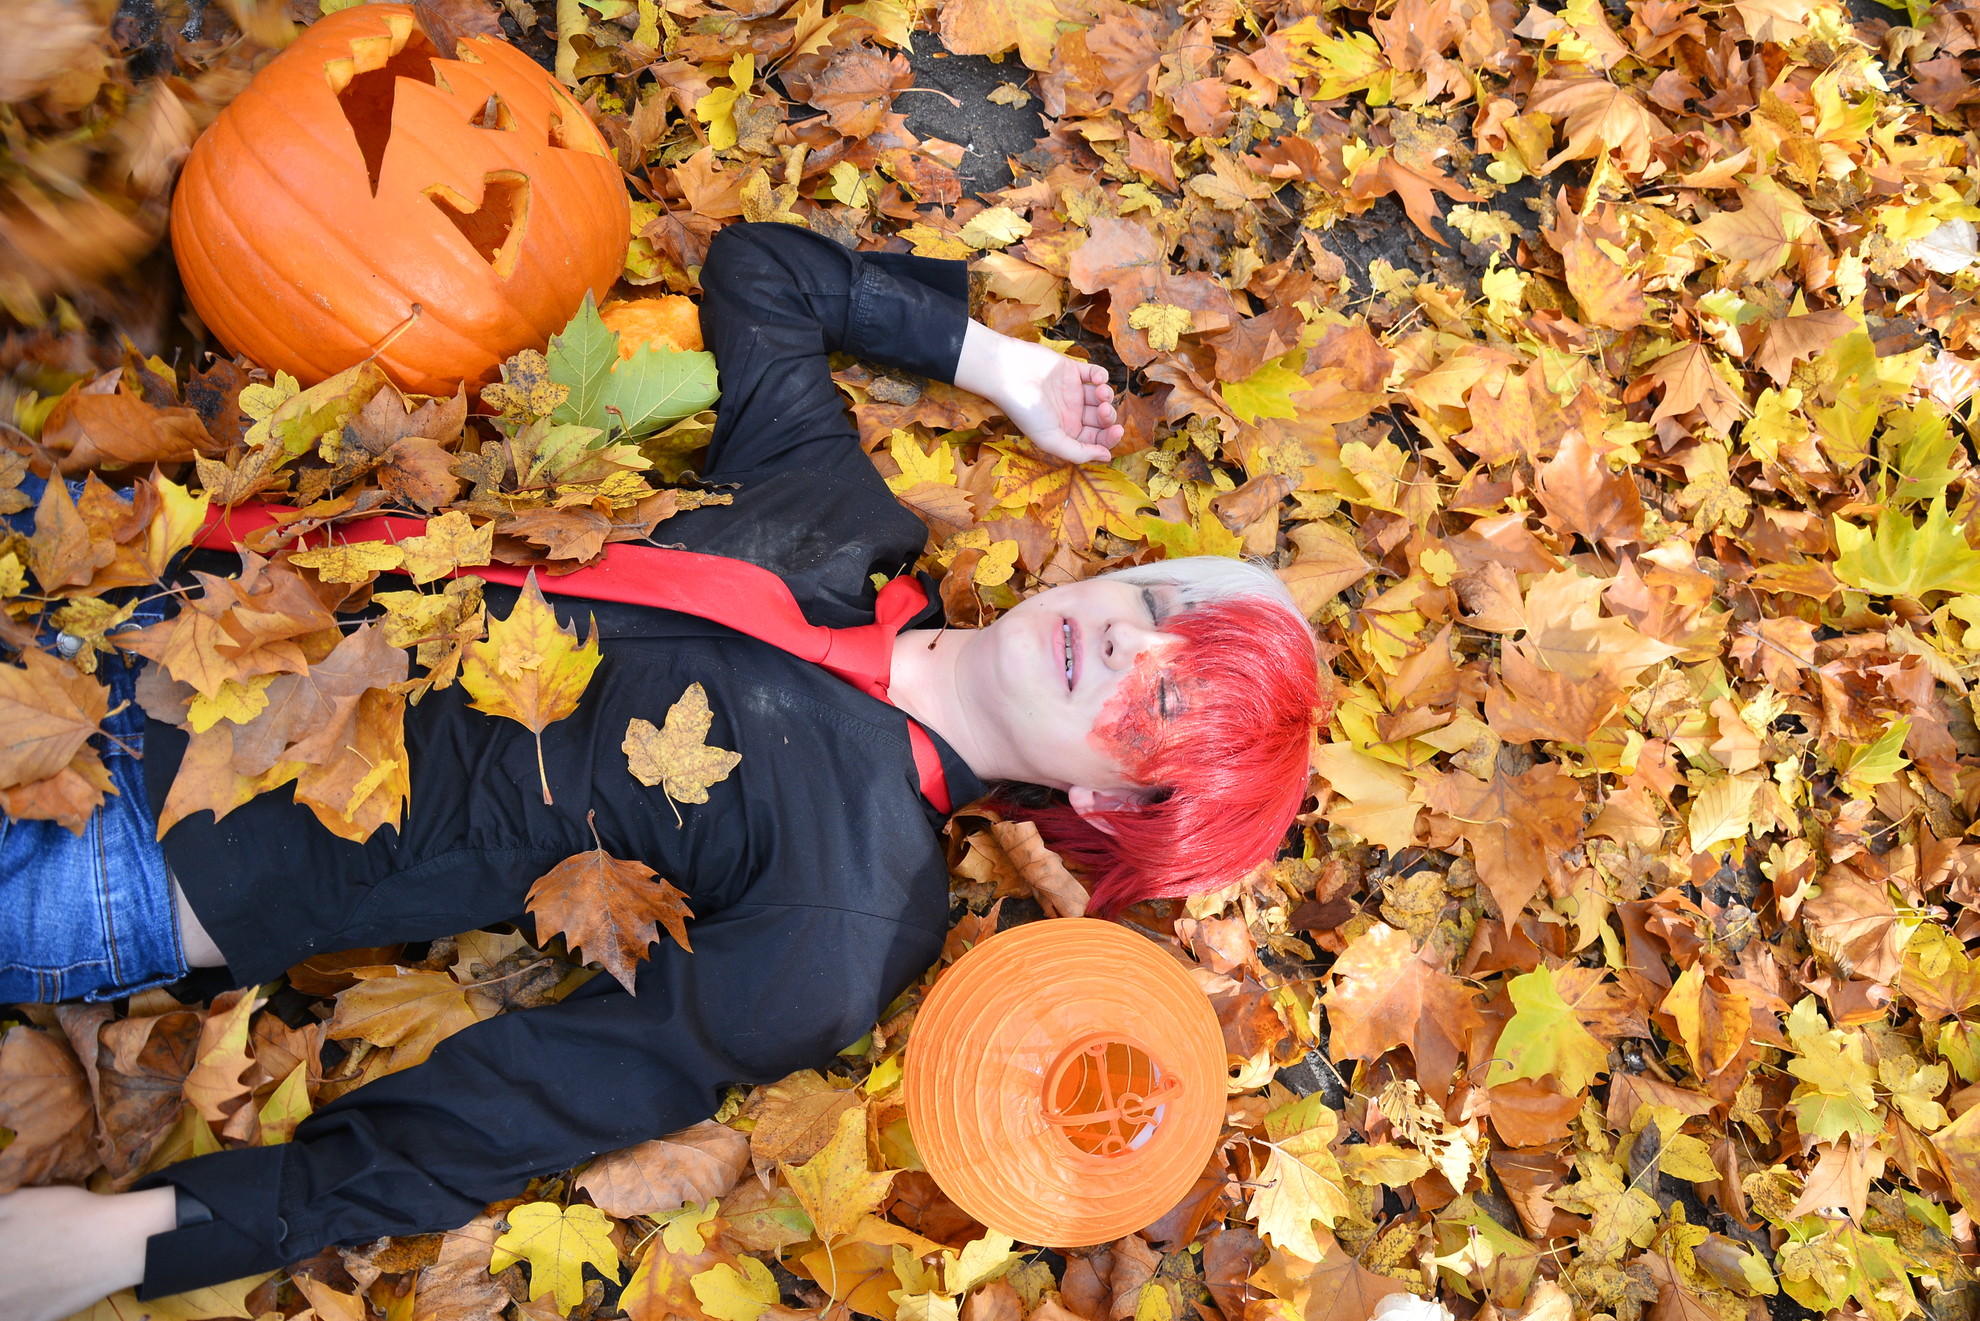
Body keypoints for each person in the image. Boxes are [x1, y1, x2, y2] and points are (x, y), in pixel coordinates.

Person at [0, 222, 1321, 1321]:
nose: (1131, 641)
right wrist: (1002, 365)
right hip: (135, 596)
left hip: (131, 849)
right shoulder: (843, 521)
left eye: (1165, 698)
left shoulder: (855, 909)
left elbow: (520, 1100)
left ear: (1108, 801)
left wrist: (137, 1241)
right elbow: (763, 273)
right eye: (1160, 606)